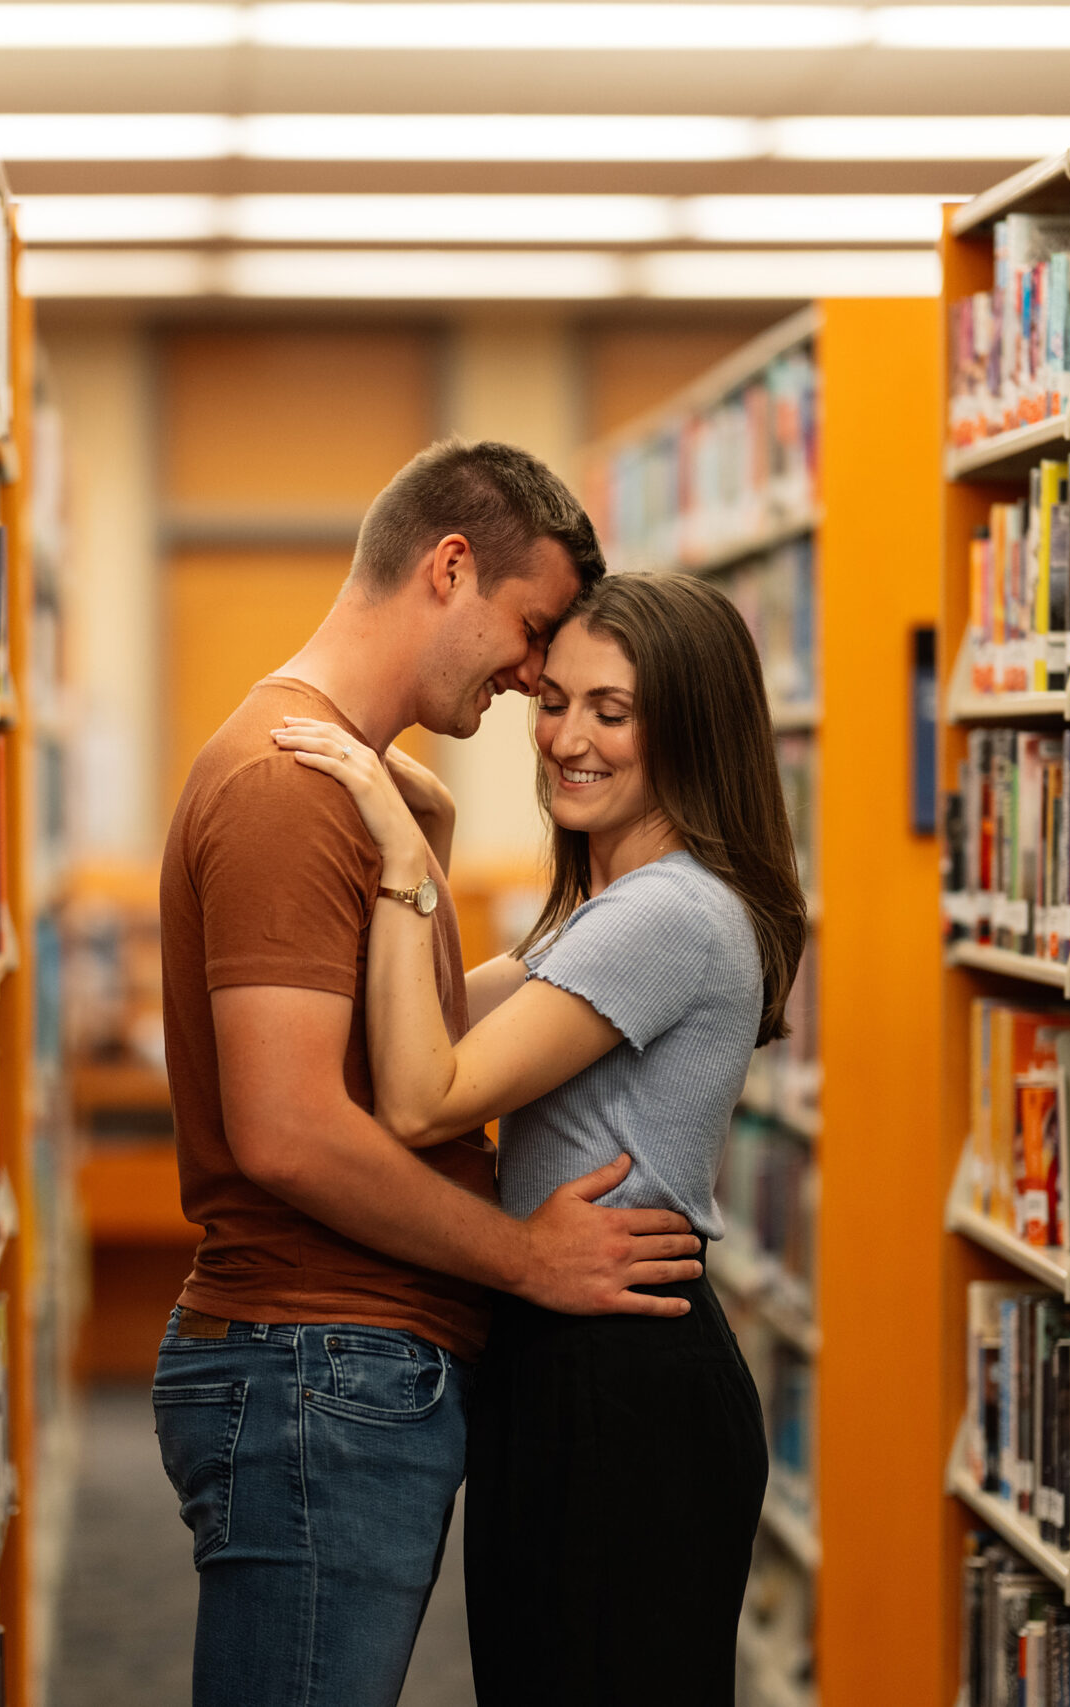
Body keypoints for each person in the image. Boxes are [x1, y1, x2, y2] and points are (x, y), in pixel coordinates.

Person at [156, 439, 709, 1707]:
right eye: (528, 632)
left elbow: (386, 1054)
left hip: (333, 1368)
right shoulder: (292, 788)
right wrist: (524, 1260)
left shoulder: (353, 786)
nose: (533, 678)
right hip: (315, 1365)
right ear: (448, 568)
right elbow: (291, 1131)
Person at [272, 570, 810, 1707]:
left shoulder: (667, 914)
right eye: (552, 701)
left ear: (691, 730)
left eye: (609, 713)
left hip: (619, 1376)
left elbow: (422, 1098)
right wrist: (435, 848)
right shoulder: (613, 908)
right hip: (571, 1353)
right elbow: (420, 1031)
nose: (566, 737)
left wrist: (407, 876)